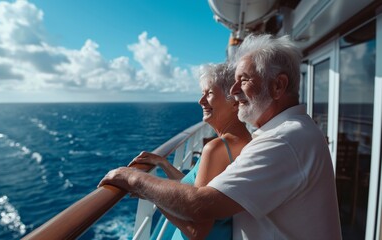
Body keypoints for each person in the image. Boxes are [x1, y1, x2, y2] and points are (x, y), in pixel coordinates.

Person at [99, 34, 342, 240]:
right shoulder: (290, 132)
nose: (234, 92)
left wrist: (133, 178)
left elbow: (199, 207)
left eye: (244, 80)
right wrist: (161, 168)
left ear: (278, 86)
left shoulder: (284, 140)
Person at [131, 63, 251, 239]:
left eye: (209, 93)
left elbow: (197, 230)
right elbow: (198, 192)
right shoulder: (244, 140)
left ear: (234, 101)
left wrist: (147, 190)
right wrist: (163, 163)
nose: (200, 101)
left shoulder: (217, 148)